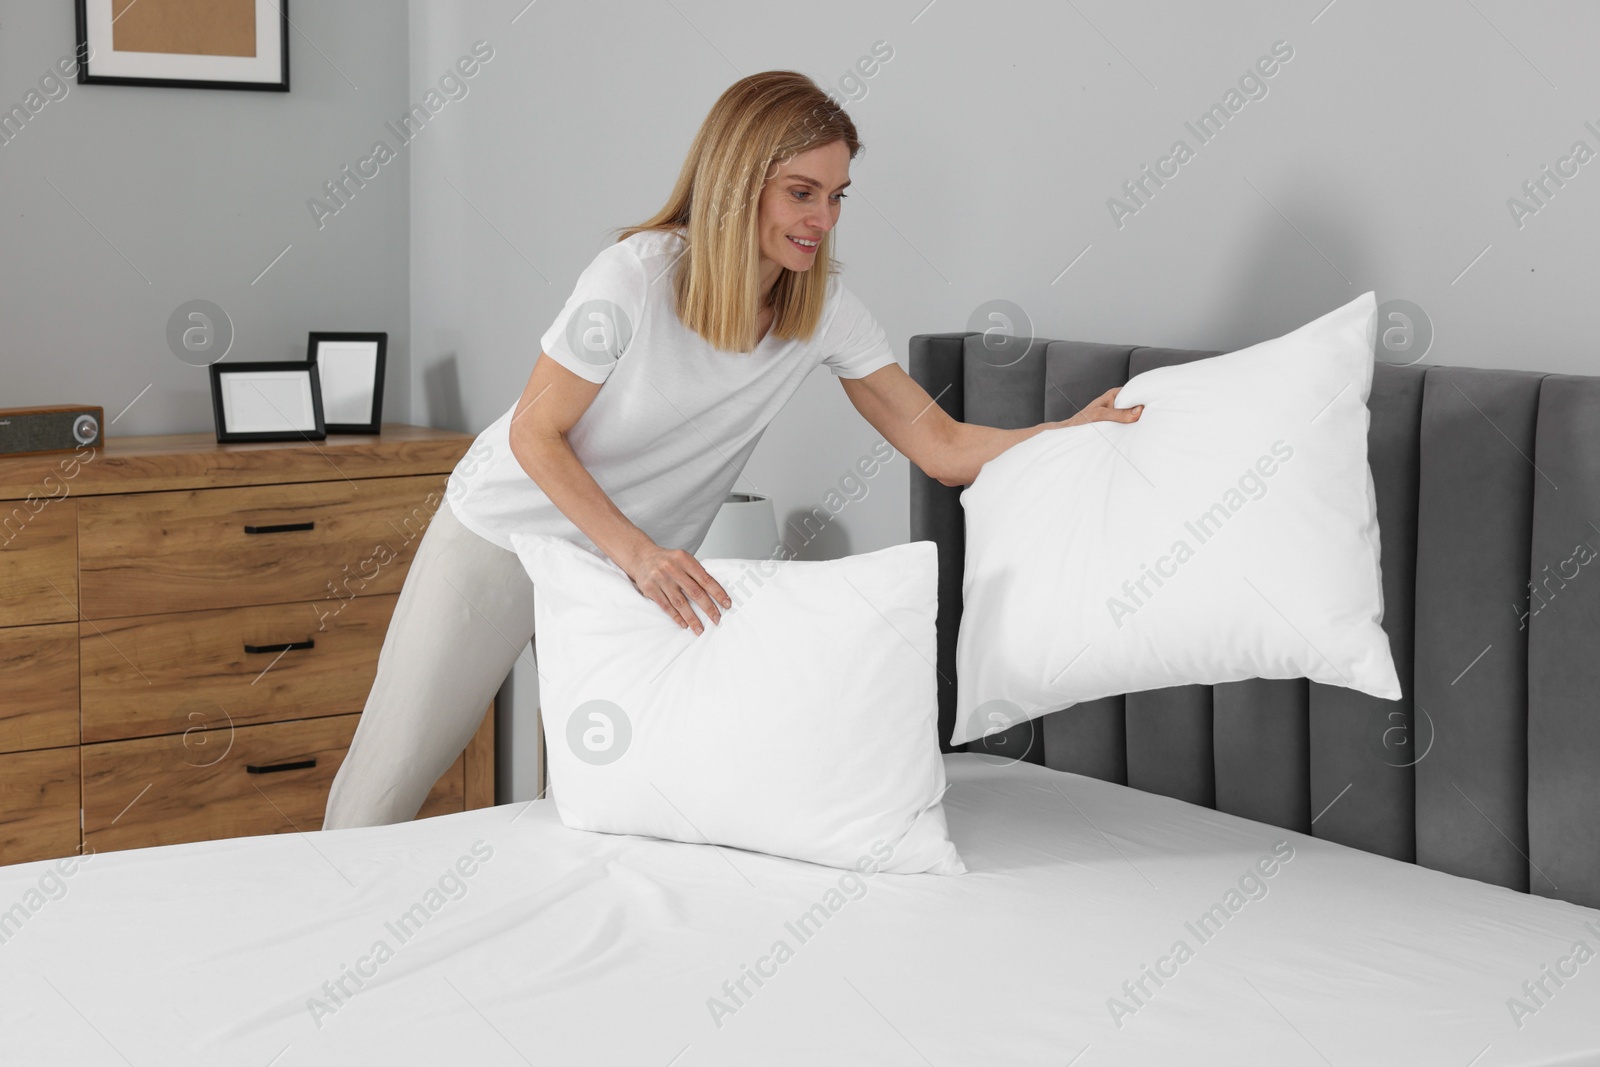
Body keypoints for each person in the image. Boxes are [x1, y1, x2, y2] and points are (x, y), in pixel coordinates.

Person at [322, 70, 1142, 829]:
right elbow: (536, 432)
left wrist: (1064, 437)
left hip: (632, 568)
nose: (823, 219)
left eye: (837, 195)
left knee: (607, 796)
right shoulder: (634, 277)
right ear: (737, 183)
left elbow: (943, 446)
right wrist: (641, 555)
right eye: (801, 192)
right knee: (387, 779)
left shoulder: (822, 312)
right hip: (504, 537)